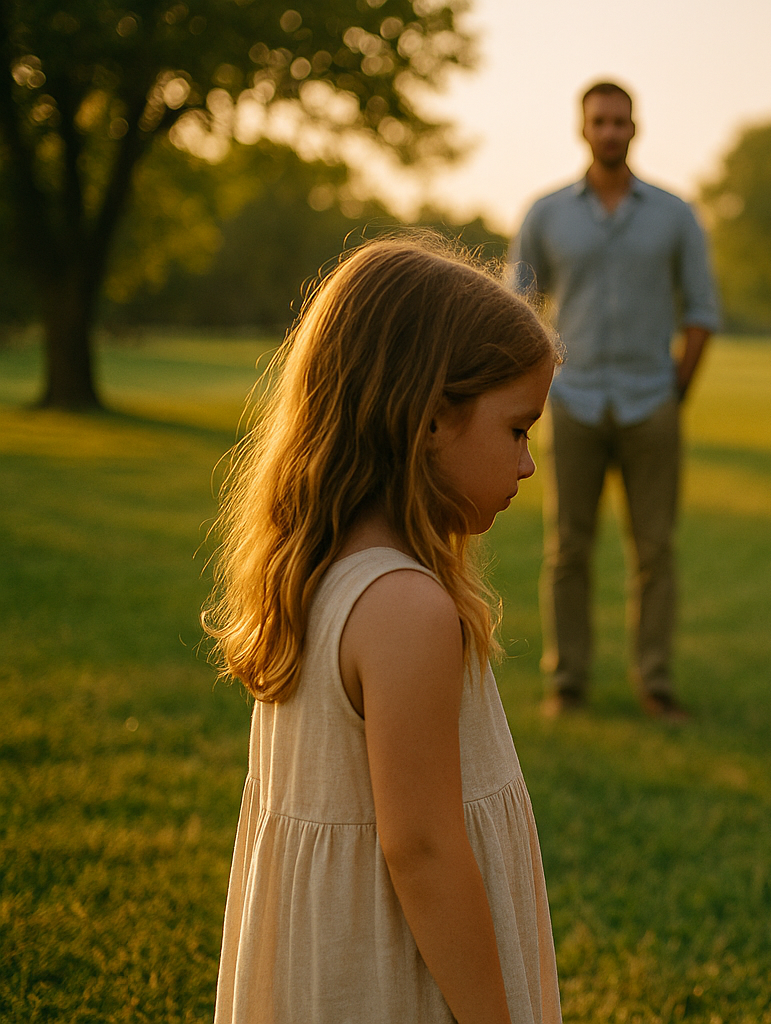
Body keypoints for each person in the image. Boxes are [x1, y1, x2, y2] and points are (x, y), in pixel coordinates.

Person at [203, 238, 563, 1024]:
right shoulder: (406, 608)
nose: (529, 464)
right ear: (432, 420)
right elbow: (423, 852)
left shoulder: (320, 568)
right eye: (517, 430)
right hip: (395, 982)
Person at [511, 81, 720, 723]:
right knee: (567, 548)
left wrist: (673, 392)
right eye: (598, 121)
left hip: (650, 401)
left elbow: (702, 311)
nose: (609, 131)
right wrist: (535, 394)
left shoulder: (674, 214)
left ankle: (655, 682)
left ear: (636, 128)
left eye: (619, 121)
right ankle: (566, 683)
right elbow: (515, 311)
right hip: (570, 403)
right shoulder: (545, 214)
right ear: (582, 128)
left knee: (654, 550)